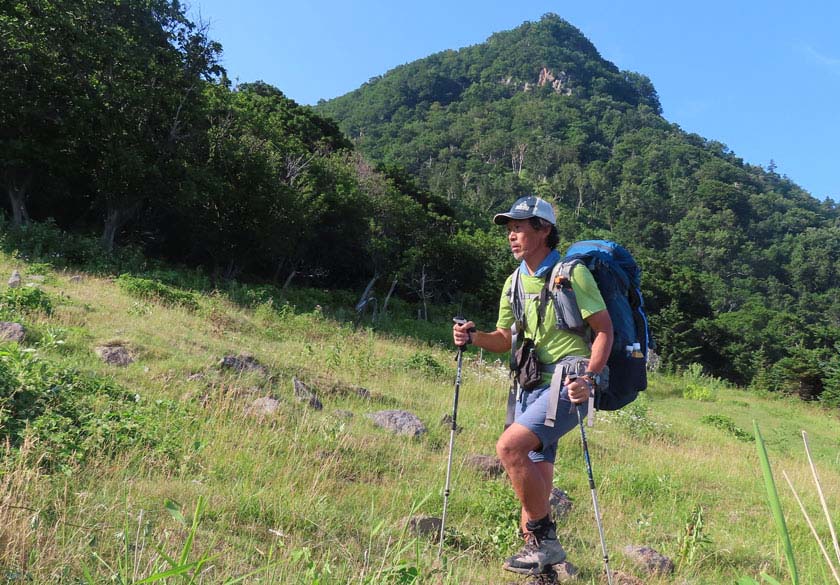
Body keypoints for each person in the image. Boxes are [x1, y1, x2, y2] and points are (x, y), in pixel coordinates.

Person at [452, 195, 613, 576]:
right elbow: (504, 338)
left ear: (544, 230)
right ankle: (543, 573)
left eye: (519, 228)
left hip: (569, 381)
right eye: (509, 229)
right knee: (534, 485)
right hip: (530, 384)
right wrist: (473, 337)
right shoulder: (513, 282)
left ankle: (547, 542)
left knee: (510, 448)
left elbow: (605, 330)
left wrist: (589, 378)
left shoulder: (572, 274)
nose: (511, 236)